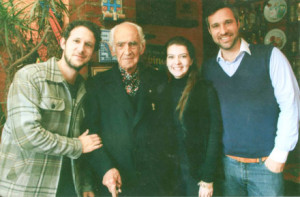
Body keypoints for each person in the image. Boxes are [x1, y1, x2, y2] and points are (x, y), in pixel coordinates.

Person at [202, 2, 300, 196]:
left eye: (228, 22)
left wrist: (280, 155)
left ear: (239, 23)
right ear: (210, 31)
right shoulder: (208, 69)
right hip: (227, 167)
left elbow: (291, 104)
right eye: (216, 26)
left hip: (265, 167)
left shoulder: (270, 55)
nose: (223, 30)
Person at [0, 20, 102, 197]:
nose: (81, 49)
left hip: (68, 187)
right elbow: (27, 135)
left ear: (93, 53)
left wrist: (85, 184)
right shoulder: (30, 76)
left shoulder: (85, 90)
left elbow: (84, 141)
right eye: (76, 41)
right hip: (27, 187)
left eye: (88, 45)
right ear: (63, 43)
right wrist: (76, 145)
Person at [83, 21, 176, 196]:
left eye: (133, 44)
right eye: (120, 45)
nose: (127, 51)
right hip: (114, 180)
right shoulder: (96, 84)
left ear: (142, 48)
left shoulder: (159, 79)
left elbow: (168, 130)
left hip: (153, 182)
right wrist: (106, 168)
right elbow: (91, 133)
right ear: (112, 49)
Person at [160, 36, 222, 197]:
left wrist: (208, 178)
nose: (177, 62)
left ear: (192, 59)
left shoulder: (205, 90)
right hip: (172, 174)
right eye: (171, 57)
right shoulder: (163, 90)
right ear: (166, 61)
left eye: (183, 56)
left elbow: (215, 134)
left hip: (197, 174)